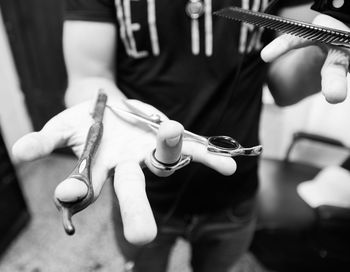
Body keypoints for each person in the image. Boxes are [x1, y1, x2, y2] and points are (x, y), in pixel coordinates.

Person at [11, 0, 350, 271]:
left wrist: (320, 51)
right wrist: (109, 113)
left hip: (234, 194)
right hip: (144, 190)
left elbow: (283, 86)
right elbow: (89, 75)